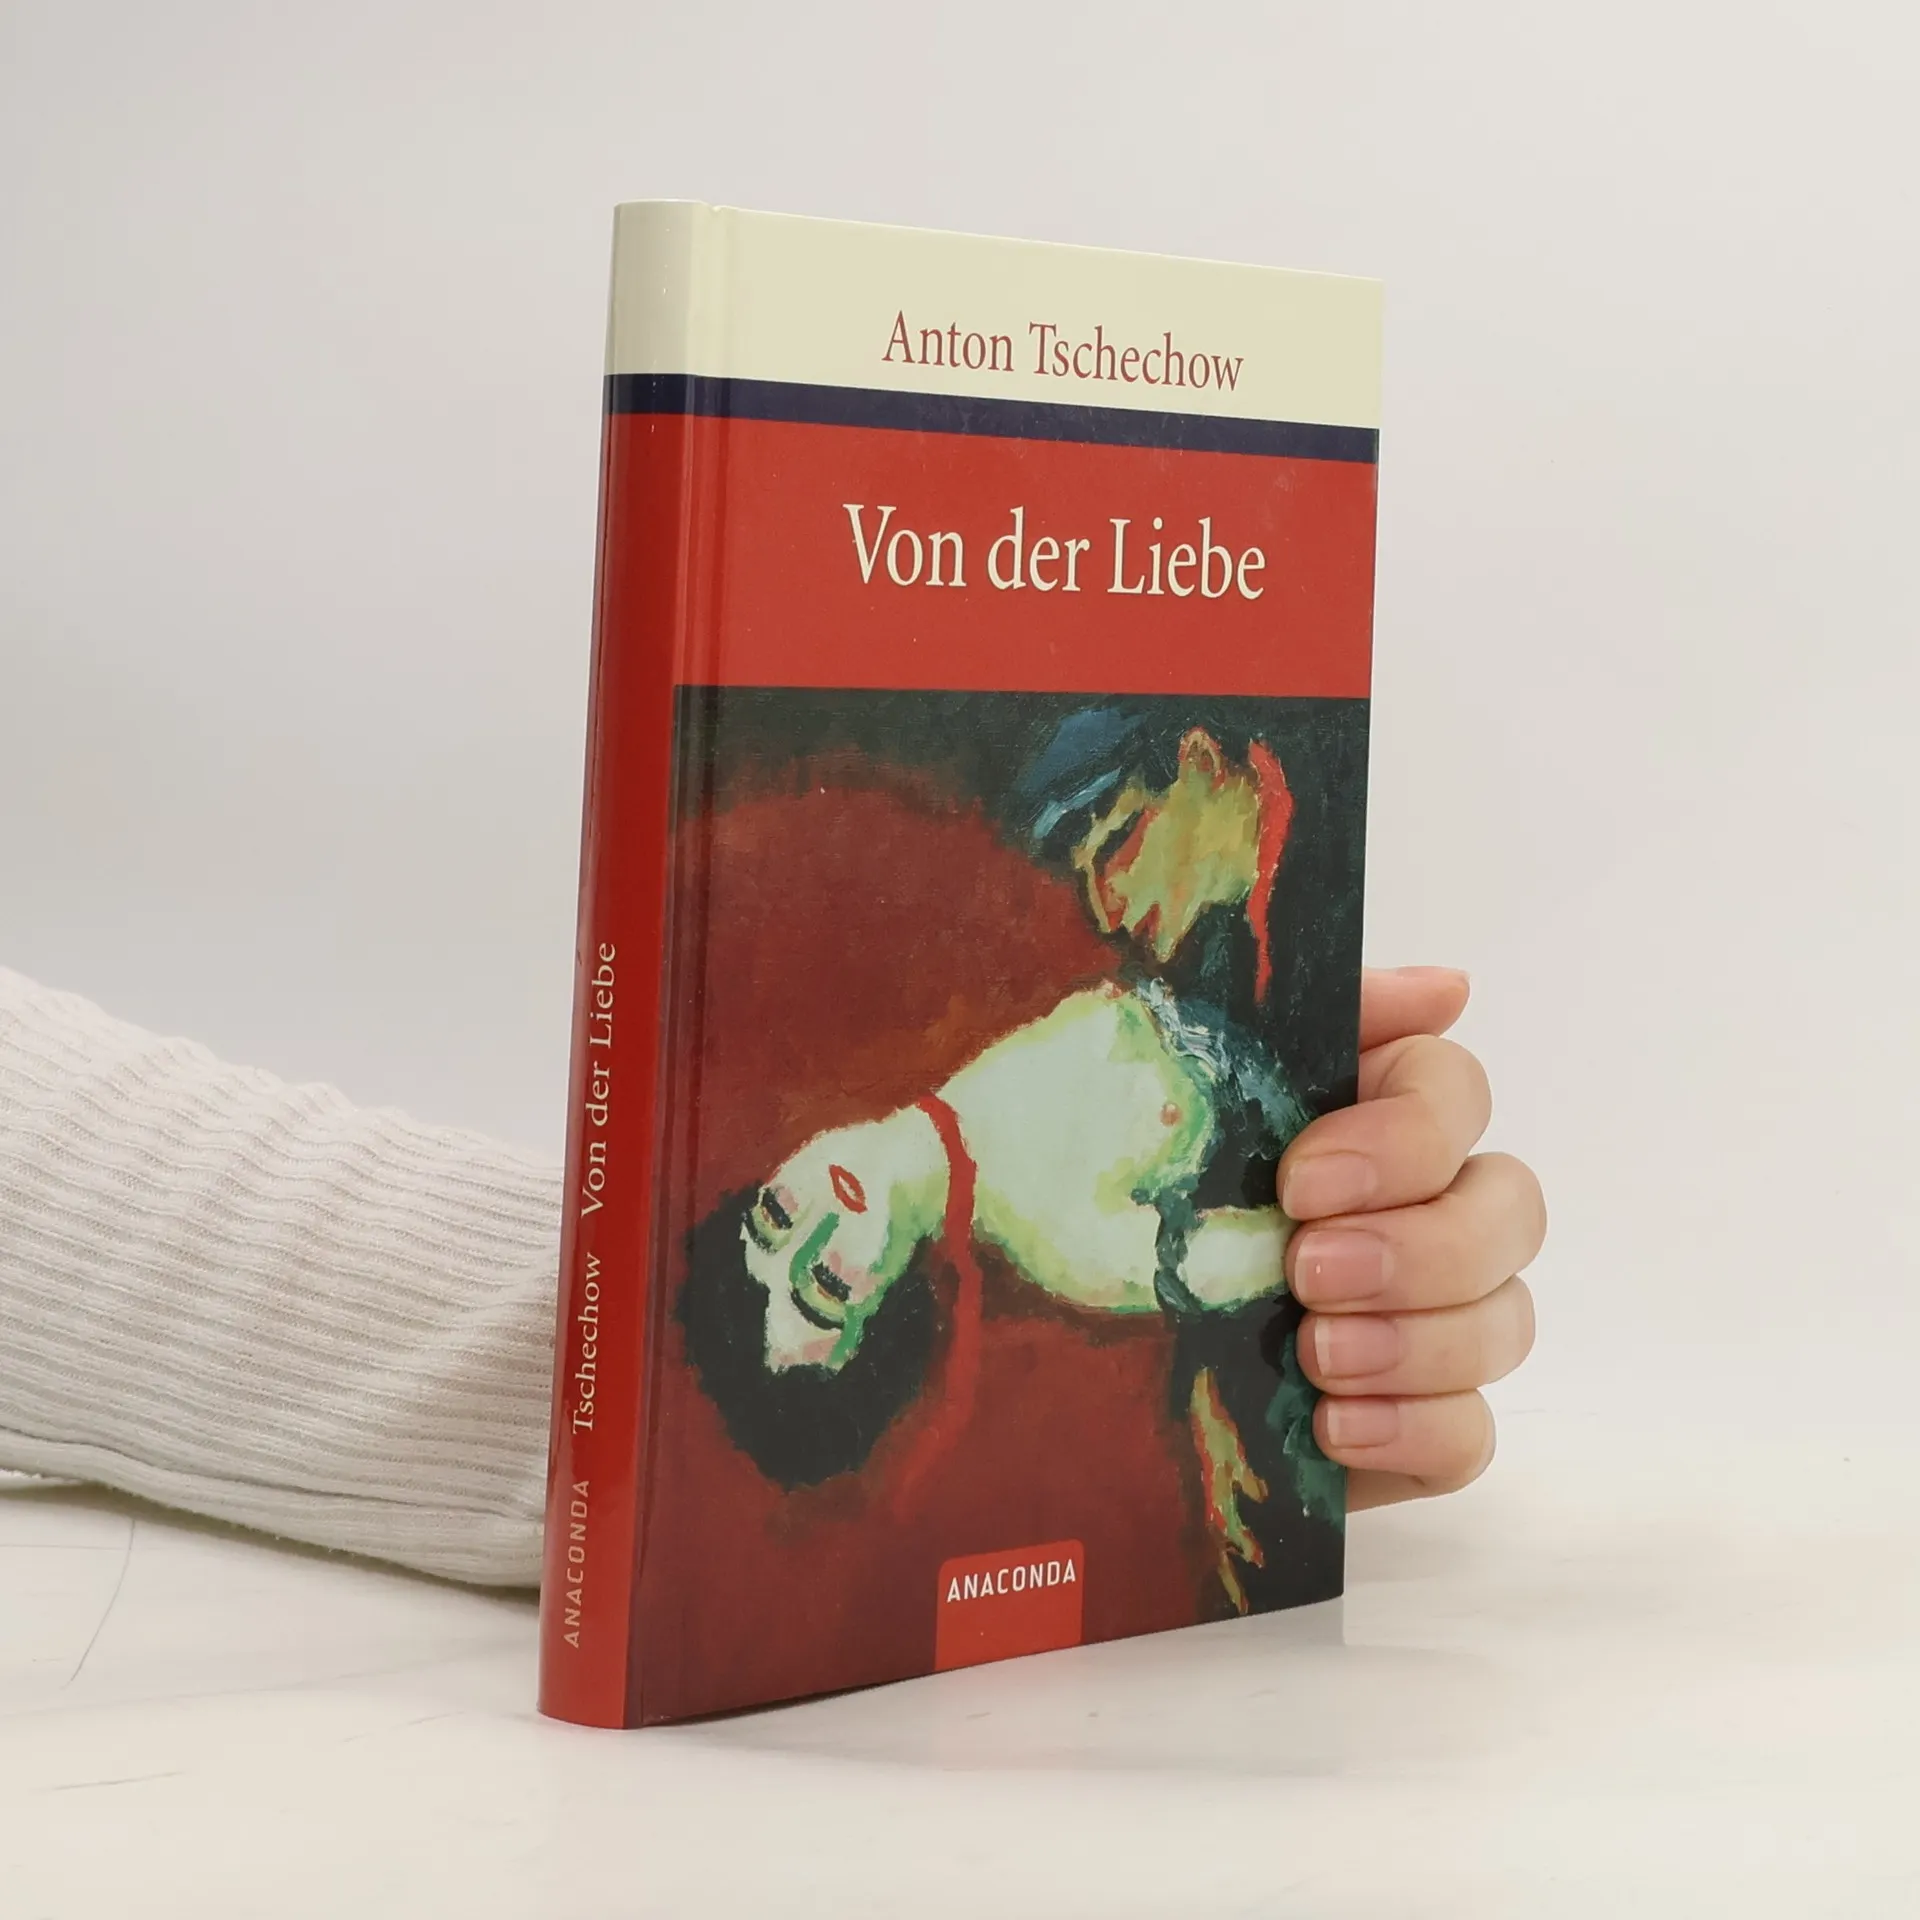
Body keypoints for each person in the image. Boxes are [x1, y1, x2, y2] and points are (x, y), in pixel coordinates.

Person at [0, 960, 1542, 1590]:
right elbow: (1244, 1260)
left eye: (765, 1227)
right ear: (895, 1308)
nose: (813, 1226)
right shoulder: (1068, 1242)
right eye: (824, 1288)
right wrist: (1320, 1280)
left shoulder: (946, 1014)